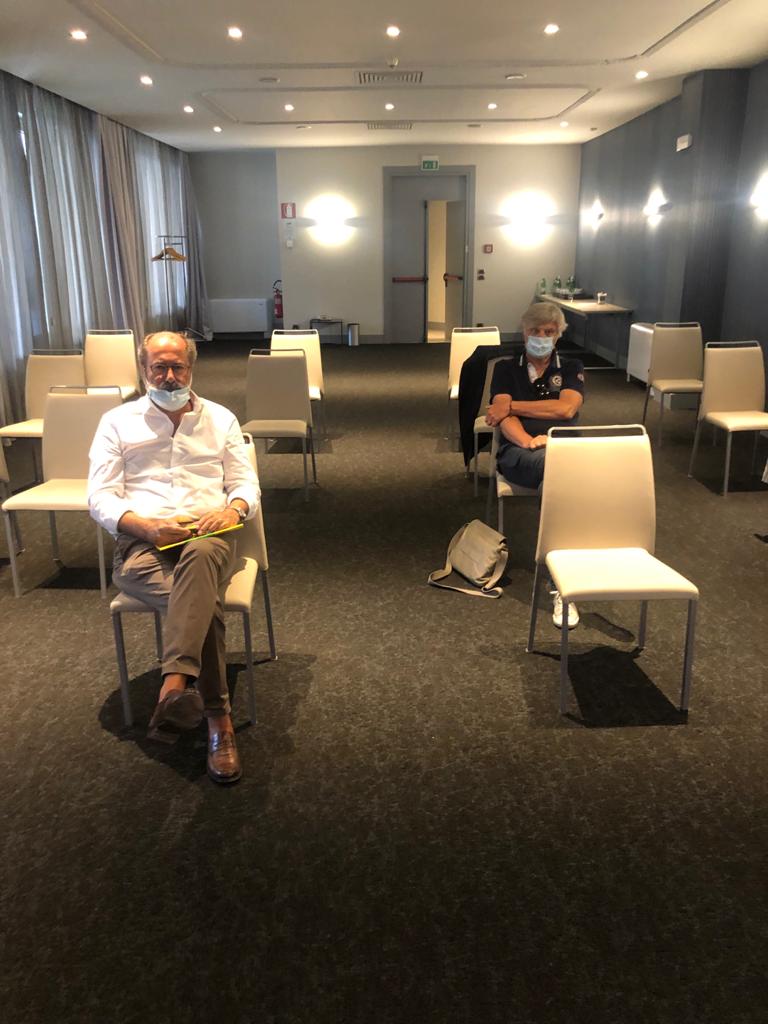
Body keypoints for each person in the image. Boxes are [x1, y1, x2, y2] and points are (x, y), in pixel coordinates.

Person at [88, 331, 260, 784]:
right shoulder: (116, 422)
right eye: (158, 367)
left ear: (191, 368)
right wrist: (145, 527)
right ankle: (213, 714)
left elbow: (245, 483)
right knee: (204, 604)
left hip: (207, 533)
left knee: (200, 558)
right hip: (142, 541)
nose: (168, 377)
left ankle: (183, 692)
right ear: (144, 370)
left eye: (177, 367)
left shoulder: (220, 418)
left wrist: (232, 510)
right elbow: (99, 497)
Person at [485, 301, 585, 628]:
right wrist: (530, 440)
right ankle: (563, 583)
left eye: (549, 331)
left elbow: (566, 410)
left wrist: (512, 405)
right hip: (519, 452)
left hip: (563, 452)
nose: (541, 337)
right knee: (564, 474)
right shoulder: (505, 368)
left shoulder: (570, 367)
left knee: (554, 483)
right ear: (524, 332)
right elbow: (502, 418)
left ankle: (559, 571)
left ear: (558, 335)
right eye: (535, 331)